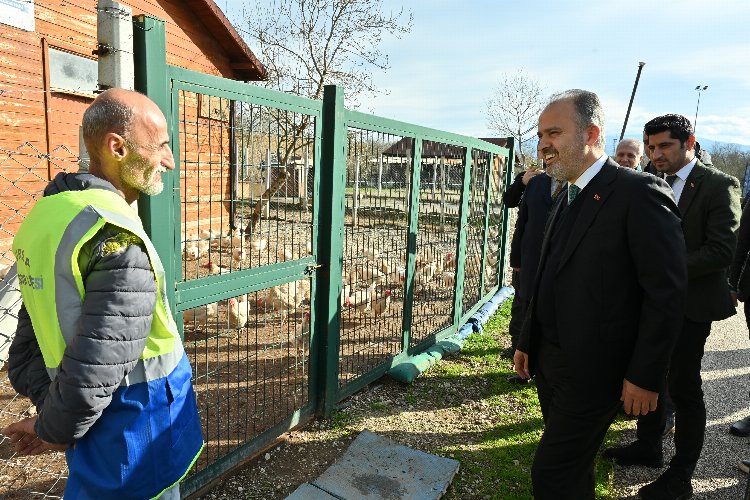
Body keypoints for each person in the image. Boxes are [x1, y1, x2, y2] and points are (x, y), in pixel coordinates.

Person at [2, 88, 204, 499]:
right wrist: (56, 429)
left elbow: (27, 346)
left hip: (87, 424)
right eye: (162, 147)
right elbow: (99, 362)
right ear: (117, 147)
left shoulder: (47, 216)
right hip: (135, 431)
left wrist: (55, 419)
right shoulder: (113, 233)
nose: (169, 161)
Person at [513, 90, 687, 500]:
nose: (542, 145)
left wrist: (645, 377)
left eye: (554, 132)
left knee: (552, 473)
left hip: (597, 371)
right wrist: (527, 340)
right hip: (552, 362)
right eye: (540, 135)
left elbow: (665, 295)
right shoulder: (566, 192)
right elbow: (548, 276)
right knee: (572, 469)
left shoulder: (639, 193)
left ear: (592, 133)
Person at [604, 114, 740, 500]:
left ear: (689, 143)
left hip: (690, 306)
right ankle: (648, 446)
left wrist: (660, 267)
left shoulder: (719, 185)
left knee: (683, 385)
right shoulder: (647, 181)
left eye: (664, 146)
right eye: (650, 147)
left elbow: (721, 251)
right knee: (648, 373)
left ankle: (681, 475)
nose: (655, 154)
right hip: (647, 303)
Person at [506, 162, 565, 383]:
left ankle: (546, 369)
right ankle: (522, 366)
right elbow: (522, 223)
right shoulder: (535, 183)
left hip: (558, 262)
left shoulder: (579, 185)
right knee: (524, 307)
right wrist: (517, 259)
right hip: (531, 260)